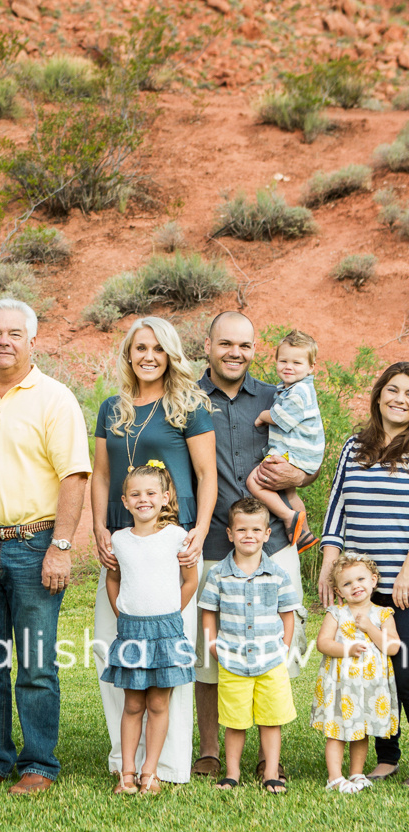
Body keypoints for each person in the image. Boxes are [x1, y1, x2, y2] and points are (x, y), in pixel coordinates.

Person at [0, 298, 91, 795]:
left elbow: (74, 475)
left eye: (14, 334)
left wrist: (62, 545)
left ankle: (39, 764)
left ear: (32, 341)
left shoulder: (54, 398)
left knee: (36, 663)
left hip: (35, 545)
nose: (3, 341)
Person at [193, 311, 318, 780]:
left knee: (277, 649)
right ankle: (209, 749)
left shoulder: (276, 395)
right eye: (226, 344)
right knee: (211, 654)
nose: (235, 353)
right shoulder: (188, 398)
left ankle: (270, 755)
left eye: (244, 346)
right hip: (210, 542)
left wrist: (305, 476)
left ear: (254, 349)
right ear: (208, 345)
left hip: (275, 542)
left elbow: (308, 451)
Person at [92, 316, 216, 784]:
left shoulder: (189, 406)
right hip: (122, 540)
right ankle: (123, 760)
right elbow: (101, 476)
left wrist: (199, 531)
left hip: (173, 541)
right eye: (139, 348)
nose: (148, 356)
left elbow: (206, 475)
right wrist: (102, 529)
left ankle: (165, 764)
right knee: (114, 647)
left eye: (157, 349)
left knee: (169, 657)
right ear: (129, 354)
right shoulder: (111, 408)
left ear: (170, 355)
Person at [318, 361, 409, 782]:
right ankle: (386, 756)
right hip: (358, 589)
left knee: (404, 671)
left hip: (402, 584)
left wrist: (407, 571)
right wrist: (328, 565)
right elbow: (336, 510)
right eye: (393, 389)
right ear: (378, 394)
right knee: (368, 670)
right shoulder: (354, 446)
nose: (400, 399)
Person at [101, 462, 198, 795]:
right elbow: (113, 579)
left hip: (167, 632)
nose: (144, 500)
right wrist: (123, 611)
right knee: (132, 705)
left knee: (159, 705)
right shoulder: (119, 540)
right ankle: (126, 773)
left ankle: (150, 773)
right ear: (125, 501)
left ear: (165, 497)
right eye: (135, 494)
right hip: (131, 631)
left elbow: (190, 580)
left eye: (151, 493)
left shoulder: (177, 537)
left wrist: (170, 613)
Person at [199, 498, 301, 793]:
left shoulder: (277, 574)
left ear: (267, 534)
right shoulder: (218, 573)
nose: (249, 535)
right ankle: (232, 773)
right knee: (235, 720)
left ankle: (270, 772)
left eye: (256, 529)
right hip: (232, 659)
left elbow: (287, 613)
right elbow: (208, 612)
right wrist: (212, 644)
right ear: (230, 533)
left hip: (271, 661)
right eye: (242, 529)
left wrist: (284, 645)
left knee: (272, 719)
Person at [312, 552, 400, 793]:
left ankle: (357, 773)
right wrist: (347, 649)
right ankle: (335, 777)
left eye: (360, 579)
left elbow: (392, 647)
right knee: (338, 731)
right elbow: (323, 643)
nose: (355, 586)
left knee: (361, 731)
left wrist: (369, 627)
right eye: (347, 584)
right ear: (339, 591)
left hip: (370, 687)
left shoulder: (383, 614)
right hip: (342, 685)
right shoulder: (336, 613)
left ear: (373, 580)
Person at [246, 330, 324, 552]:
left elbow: (282, 418)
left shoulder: (299, 391)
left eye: (297, 362)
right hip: (302, 452)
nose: (289, 367)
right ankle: (305, 534)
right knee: (290, 492)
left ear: (311, 367)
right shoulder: (294, 388)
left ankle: (288, 517)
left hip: (295, 452)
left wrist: (262, 416)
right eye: (283, 361)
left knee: (254, 482)